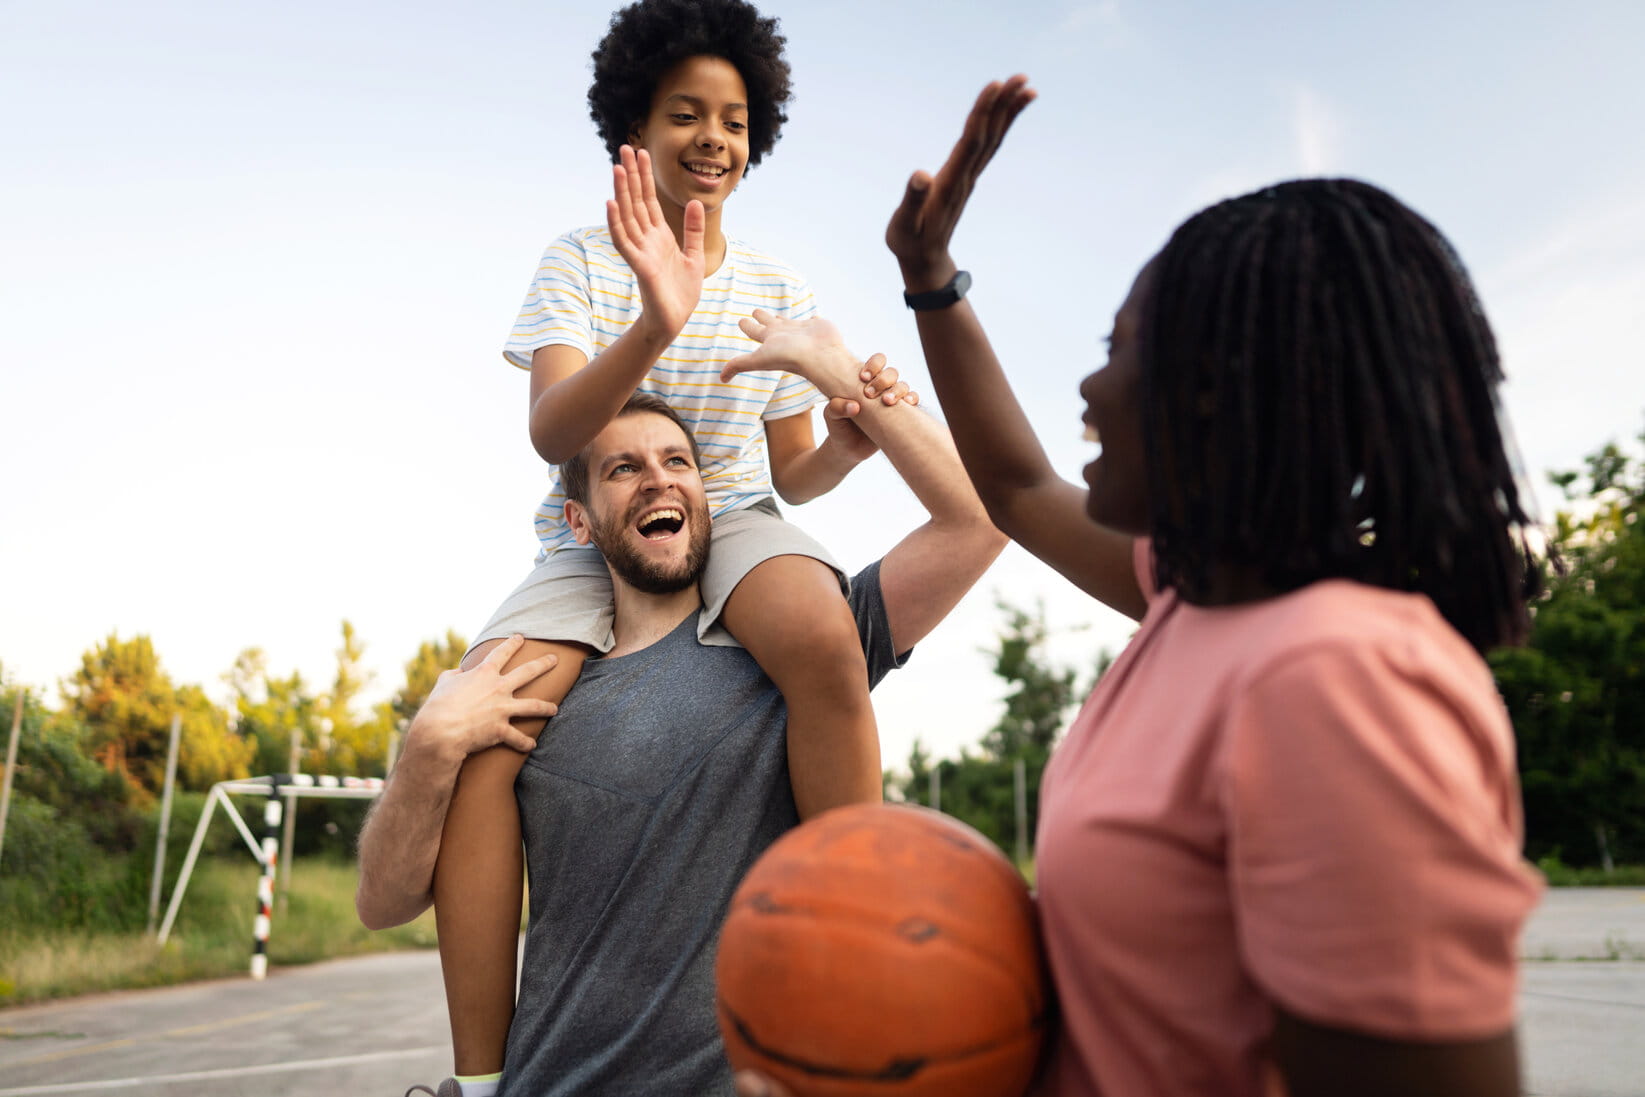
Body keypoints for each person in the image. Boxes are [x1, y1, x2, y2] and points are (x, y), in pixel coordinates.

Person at [737, 77, 1545, 1097]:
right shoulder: (1197, 597)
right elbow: (1018, 488)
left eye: (1114, 351)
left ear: (1219, 389)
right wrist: (929, 277)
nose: (1087, 390)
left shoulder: (1333, 679)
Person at [425, 1, 914, 1089]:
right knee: (483, 741)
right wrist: (656, 315)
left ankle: (859, 961)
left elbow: (791, 471)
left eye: (733, 120)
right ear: (632, 131)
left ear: (757, 138)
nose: (712, 138)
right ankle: (476, 1076)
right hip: (591, 529)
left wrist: (842, 446)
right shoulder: (578, 262)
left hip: (732, 511)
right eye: (684, 113)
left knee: (828, 649)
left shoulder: (776, 285)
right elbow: (554, 430)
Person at [359, 354, 1006, 1094]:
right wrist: (426, 748)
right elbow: (381, 904)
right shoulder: (522, 696)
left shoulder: (803, 647)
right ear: (579, 520)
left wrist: (835, 371)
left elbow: (978, 520)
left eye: (677, 462)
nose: (658, 478)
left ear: (706, 493)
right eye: (622, 470)